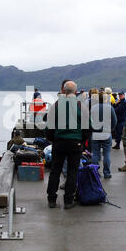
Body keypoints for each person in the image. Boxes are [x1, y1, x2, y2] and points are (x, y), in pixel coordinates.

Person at [46, 81, 90, 209]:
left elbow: (49, 127)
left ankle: (52, 199)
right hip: (75, 142)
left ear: (63, 91)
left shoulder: (56, 105)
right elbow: (88, 126)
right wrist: (82, 140)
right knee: (73, 171)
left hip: (59, 142)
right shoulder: (80, 106)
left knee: (55, 170)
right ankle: (68, 200)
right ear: (75, 92)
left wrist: (52, 139)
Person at [91, 92, 117, 179]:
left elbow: (89, 120)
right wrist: (111, 129)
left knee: (95, 154)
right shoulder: (110, 108)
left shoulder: (93, 108)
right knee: (106, 154)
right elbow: (114, 121)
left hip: (95, 133)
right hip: (106, 132)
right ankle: (106, 173)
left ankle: (95, 173)